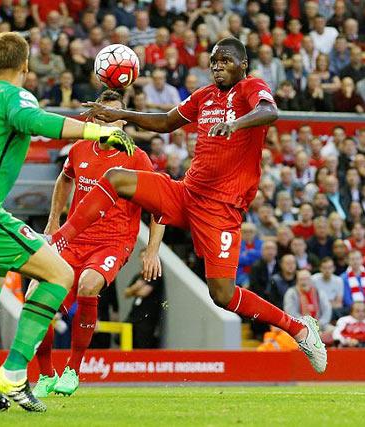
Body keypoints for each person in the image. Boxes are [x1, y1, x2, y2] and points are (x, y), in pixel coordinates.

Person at [50, 37, 327, 374]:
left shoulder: (250, 88)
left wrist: (236, 124)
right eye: (213, 61)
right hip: (186, 194)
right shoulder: (204, 97)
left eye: (225, 60)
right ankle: (63, 237)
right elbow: (166, 122)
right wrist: (118, 113)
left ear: (243, 65)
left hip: (221, 210)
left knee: (222, 294)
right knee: (116, 177)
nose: (217, 66)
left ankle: (299, 329)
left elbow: (271, 111)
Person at [0, 32, 135, 412]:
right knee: (60, 275)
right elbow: (36, 121)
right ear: (25, 65)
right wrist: (99, 130)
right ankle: (15, 371)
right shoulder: (12, 95)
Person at [32, 90, 164, 397]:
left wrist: (152, 249)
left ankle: (73, 370)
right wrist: (53, 223)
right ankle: (46, 374)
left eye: (118, 117)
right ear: (93, 120)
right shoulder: (79, 150)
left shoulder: (137, 158)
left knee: (89, 285)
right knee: (37, 300)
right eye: (106, 116)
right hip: (74, 239)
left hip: (113, 241)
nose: (113, 123)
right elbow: (65, 179)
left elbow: (160, 205)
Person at [284, 269, 332, 334]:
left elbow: (327, 310)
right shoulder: (291, 293)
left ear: (311, 280)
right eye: (301, 279)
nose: (304, 282)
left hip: (320, 326)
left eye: (306, 279)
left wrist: (320, 324)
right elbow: (290, 313)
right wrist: (307, 324)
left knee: (335, 331)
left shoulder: (318, 291)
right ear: (297, 281)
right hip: (300, 327)